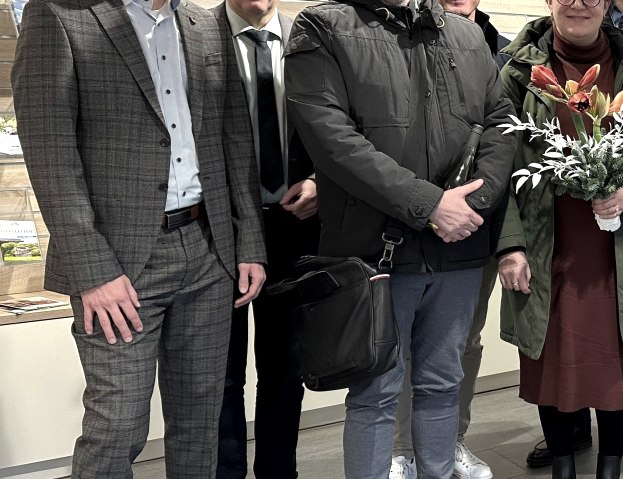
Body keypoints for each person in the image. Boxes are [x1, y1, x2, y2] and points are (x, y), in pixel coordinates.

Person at [11, 0, 267, 475]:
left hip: (208, 250)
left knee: (199, 421)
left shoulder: (204, 24)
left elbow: (233, 139)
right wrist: (92, 270)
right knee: (119, 425)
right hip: (117, 263)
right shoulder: (61, 15)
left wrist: (248, 240)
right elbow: (50, 152)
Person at [285, 0, 516, 475]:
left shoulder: (468, 37)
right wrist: (429, 205)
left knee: (443, 384)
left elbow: (501, 124)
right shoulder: (323, 27)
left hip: (457, 250)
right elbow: (332, 140)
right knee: (375, 394)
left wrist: (472, 204)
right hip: (375, 253)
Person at [496, 0, 623, 476]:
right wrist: (509, 244)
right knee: (553, 368)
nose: (579, 2)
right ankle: (564, 467)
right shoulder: (519, 72)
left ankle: (609, 470)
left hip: (622, 252)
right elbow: (496, 164)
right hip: (549, 250)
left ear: (607, 4)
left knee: (617, 370)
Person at [388, 0, 509, 477]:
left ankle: (451, 440)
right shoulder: (400, 37)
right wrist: (429, 206)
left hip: (473, 229)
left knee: (464, 343)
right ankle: (402, 450)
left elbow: (504, 138)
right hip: (408, 222)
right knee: (403, 347)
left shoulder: (500, 51)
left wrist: (470, 208)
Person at [212, 0, 320, 477]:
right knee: (219, 374)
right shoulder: (197, 35)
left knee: (284, 370)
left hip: (295, 226)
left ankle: (279, 473)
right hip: (218, 230)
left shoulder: (312, 39)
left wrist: (321, 179)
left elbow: (343, 124)